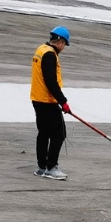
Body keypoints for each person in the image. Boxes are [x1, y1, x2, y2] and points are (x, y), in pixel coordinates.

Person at [31, 26, 72, 180]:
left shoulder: (41, 49)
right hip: (47, 101)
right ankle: (51, 167)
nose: (63, 48)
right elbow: (51, 82)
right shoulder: (49, 54)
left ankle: (41, 167)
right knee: (59, 133)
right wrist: (63, 102)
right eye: (64, 44)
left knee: (43, 133)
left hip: (37, 98)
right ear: (60, 42)